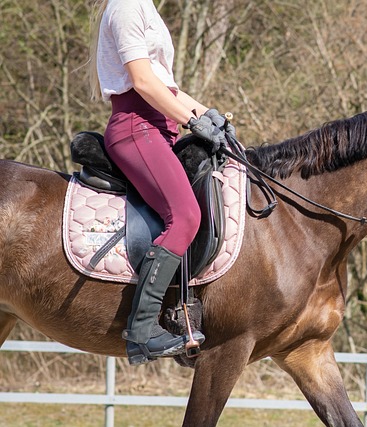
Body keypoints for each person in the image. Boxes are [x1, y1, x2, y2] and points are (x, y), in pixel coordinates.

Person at [89, 0, 228, 365]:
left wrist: (208, 115)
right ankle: (143, 329)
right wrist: (192, 121)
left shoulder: (145, 7)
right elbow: (142, 81)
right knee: (185, 216)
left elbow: (166, 85)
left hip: (159, 129)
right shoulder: (125, 7)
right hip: (137, 127)